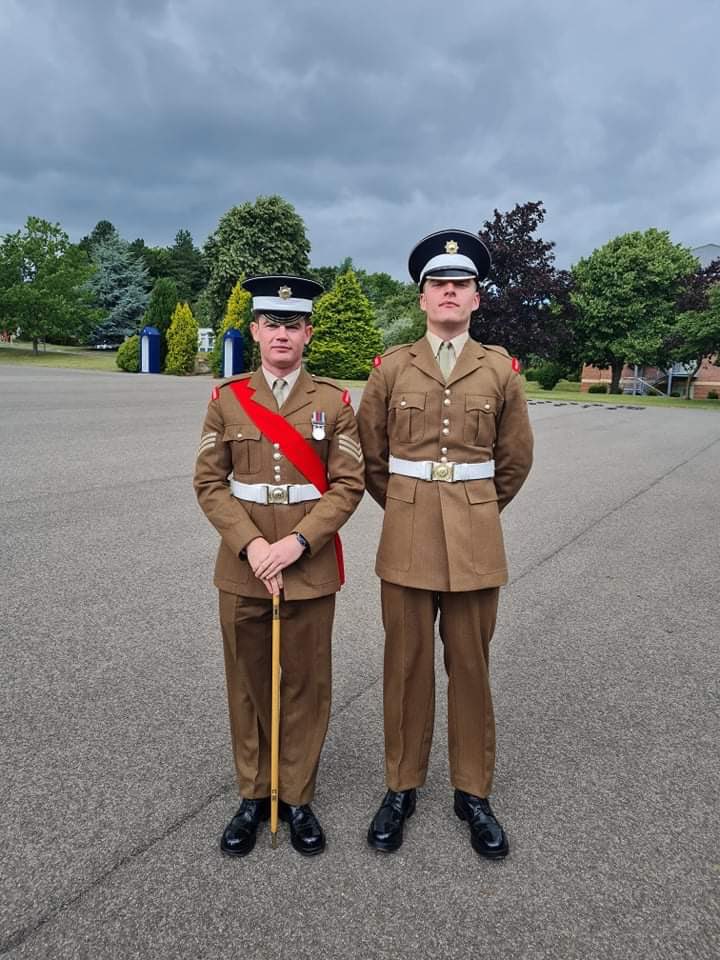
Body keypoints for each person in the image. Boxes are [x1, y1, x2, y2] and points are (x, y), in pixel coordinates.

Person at [357, 230, 533, 859]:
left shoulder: (501, 371)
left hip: (476, 540)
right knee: (405, 667)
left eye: (460, 284)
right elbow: (371, 457)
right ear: (423, 297)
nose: (449, 292)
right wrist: (408, 505)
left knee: (471, 667)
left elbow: (513, 462)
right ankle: (401, 786)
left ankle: (472, 791)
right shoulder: (391, 367)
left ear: (476, 299)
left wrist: (474, 507)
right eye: (438, 284)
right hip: (405, 536)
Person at [194, 275, 364, 858]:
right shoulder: (226, 399)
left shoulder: (334, 402)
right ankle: (253, 793)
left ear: (307, 333)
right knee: (247, 683)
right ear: (256, 331)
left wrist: (296, 543)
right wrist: (250, 544)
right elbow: (209, 483)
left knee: (305, 684)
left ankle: (295, 796)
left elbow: (348, 485)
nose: (282, 334)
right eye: (272, 323)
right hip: (242, 567)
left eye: (293, 324)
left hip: (307, 566)